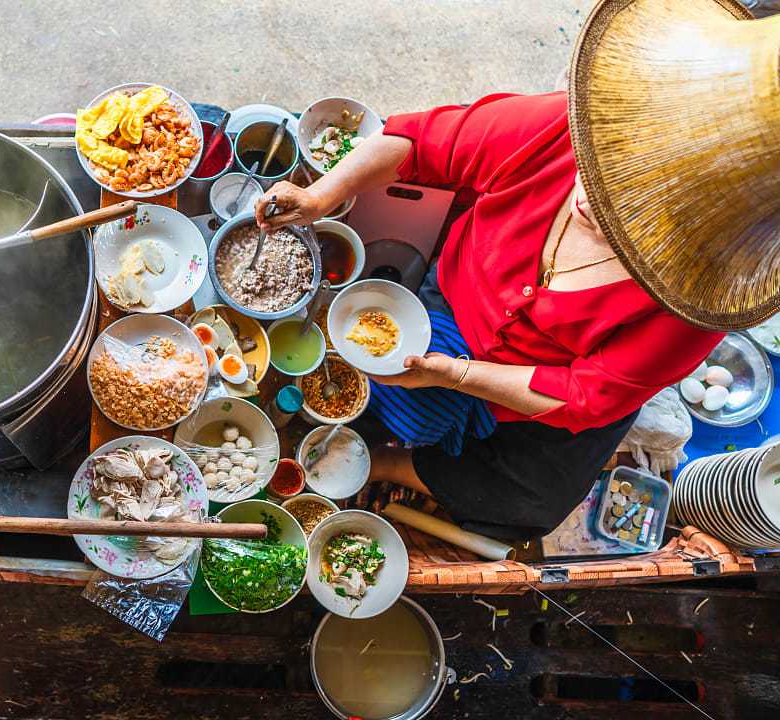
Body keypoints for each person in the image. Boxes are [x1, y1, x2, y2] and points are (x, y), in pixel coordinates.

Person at [256, 93, 731, 539]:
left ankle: (385, 464)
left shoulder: (695, 300)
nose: (587, 196)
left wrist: (459, 375)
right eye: (599, 166)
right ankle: (393, 440)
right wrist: (321, 196)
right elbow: (422, 142)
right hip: (457, 302)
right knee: (379, 399)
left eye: (624, 210)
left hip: (547, 380)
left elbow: (586, 395)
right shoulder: (566, 128)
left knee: (530, 507)